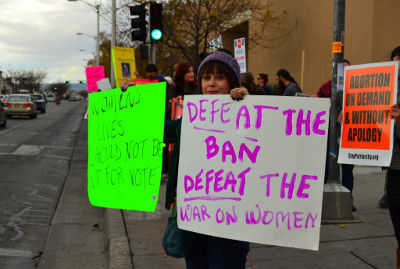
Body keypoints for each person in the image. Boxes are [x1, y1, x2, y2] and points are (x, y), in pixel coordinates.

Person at [165, 50, 250, 268]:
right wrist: (127, 98)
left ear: (233, 82)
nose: (211, 83)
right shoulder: (190, 118)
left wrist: (246, 102)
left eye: (219, 77)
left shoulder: (248, 114)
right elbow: (159, 130)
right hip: (193, 222)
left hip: (229, 227)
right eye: (206, 77)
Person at [318, 59, 356, 211]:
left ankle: (348, 198)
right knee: (328, 167)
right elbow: (318, 103)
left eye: (347, 70)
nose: (344, 73)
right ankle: (324, 198)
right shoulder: (327, 87)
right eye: (341, 70)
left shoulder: (355, 88)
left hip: (348, 137)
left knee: (347, 169)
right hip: (330, 137)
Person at [379, 46, 400, 209]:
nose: (397, 62)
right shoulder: (385, 87)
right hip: (393, 160)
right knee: (394, 205)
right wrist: (348, 120)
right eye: (395, 58)